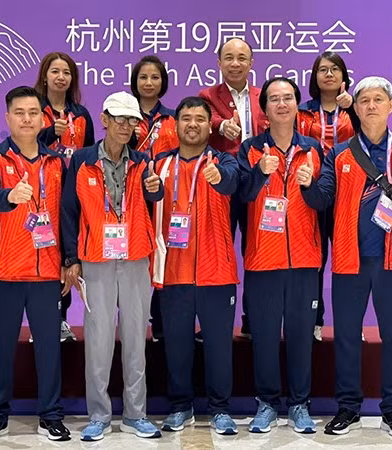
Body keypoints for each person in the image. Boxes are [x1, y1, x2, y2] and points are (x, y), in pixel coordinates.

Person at [304, 76, 392, 438]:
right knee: (347, 336)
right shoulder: (340, 153)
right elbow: (322, 199)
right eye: (364, 100)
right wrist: (307, 184)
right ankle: (348, 409)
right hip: (349, 260)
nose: (371, 106)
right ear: (355, 107)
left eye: (379, 99)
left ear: (391, 106)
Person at [61, 92, 165, 441]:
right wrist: (71, 258)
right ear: (103, 119)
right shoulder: (81, 160)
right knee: (99, 339)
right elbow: (68, 211)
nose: (126, 126)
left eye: (132, 120)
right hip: (96, 259)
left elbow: (154, 198)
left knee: (136, 337)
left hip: (135, 257)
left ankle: (136, 414)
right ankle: (99, 415)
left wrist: (156, 188)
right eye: (119, 119)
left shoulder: (143, 162)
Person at [0, 86, 71, 442]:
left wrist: (69, 260)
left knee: (49, 347)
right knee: (0, 347)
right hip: (4, 271)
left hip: (46, 271)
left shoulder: (57, 162)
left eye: (33, 112)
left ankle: (51, 414)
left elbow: (66, 216)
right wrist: (9, 197)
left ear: (43, 118)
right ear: (8, 117)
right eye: (19, 112)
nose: (27, 119)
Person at [236, 77, 323, 434]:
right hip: (262, 261)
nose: (282, 104)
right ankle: (267, 403)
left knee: (302, 336)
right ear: (265, 108)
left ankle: (300, 404)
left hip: (304, 262)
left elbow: (324, 202)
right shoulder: (251, 149)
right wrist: (259, 173)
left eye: (288, 98)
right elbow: (241, 195)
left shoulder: (315, 150)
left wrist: (310, 185)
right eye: (274, 99)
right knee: (266, 338)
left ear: (297, 105)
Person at [151, 97, 240, 435]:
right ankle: (180, 406)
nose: (192, 125)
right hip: (173, 271)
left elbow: (232, 184)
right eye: (185, 118)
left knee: (219, 346)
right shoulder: (159, 164)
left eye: (199, 119)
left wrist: (218, 178)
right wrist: (151, 193)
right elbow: (149, 203)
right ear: (175, 125)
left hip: (217, 272)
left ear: (209, 125)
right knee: (176, 345)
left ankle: (220, 409)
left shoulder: (225, 161)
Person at [199, 37, 268, 339]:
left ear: (252, 63)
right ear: (219, 63)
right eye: (229, 57)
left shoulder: (263, 95)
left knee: (256, 251)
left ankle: (254, 319)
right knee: (218, 252)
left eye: (242, 58)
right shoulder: (207, 94)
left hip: (257, 180)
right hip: (223, 182)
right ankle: (214, 321)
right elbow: (199, 117)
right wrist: (218, 125)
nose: (236, 63)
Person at [296, 52, 358, 341]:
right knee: (316, 259)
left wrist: (355, 111)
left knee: (350, 260)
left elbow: (370, 139)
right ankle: (314, 320)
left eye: (335, 69)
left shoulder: (355, 109)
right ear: (315, 77)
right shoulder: (302, 111)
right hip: (314, 192)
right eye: (323, 69)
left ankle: (350, 324)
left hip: (349, 191)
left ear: (344, 76)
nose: (329, 74)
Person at [34, 51, 95, 341]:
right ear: (44, 76)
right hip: (42, 194)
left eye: (67, 72)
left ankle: (62, 319)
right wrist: (48, 133)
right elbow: (25, 145)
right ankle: (46, 319)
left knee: (69, 255)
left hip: (75, 195)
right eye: (55, 71)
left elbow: (92, 154)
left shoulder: (81, 115)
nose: (61, 77)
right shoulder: (34, 109)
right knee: (45, 255)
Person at [128, 55, 179, 342]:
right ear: (135, 82)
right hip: (130, 199)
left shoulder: (173, 118)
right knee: (132, 262)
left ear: (163, 82)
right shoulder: (124, 115)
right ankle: (133, 327)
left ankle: (161, 323)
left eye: (155, 77)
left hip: (165, 201)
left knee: (164, 259)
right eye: (143, 77)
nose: (149, 82)